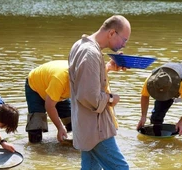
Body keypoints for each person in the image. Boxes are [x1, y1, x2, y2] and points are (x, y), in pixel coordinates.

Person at [68, 15, 130, 169]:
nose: (124, 45)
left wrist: (106, 67)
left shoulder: (80, 45)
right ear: (112, 33)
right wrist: (111, 99)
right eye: (124, 40)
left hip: (84, 126)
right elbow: (88, 96)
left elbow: (85, 81)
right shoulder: (91, 53)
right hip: (96, 128)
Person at [136, 62, 182, 139]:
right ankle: (156, 140)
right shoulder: (150, 81)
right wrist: (143, 117)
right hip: (164, 84)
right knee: (156, 115)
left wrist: (181, 122)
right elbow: (145, 96)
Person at [25, 60, 71, 143]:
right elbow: (49, 106)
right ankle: (37, 151)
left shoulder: (88, 80)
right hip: (35, 87)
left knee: (71, 122)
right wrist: (60, 127)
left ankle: (66, 143)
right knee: (36, 124)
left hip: (59, 90)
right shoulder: (60, 79)